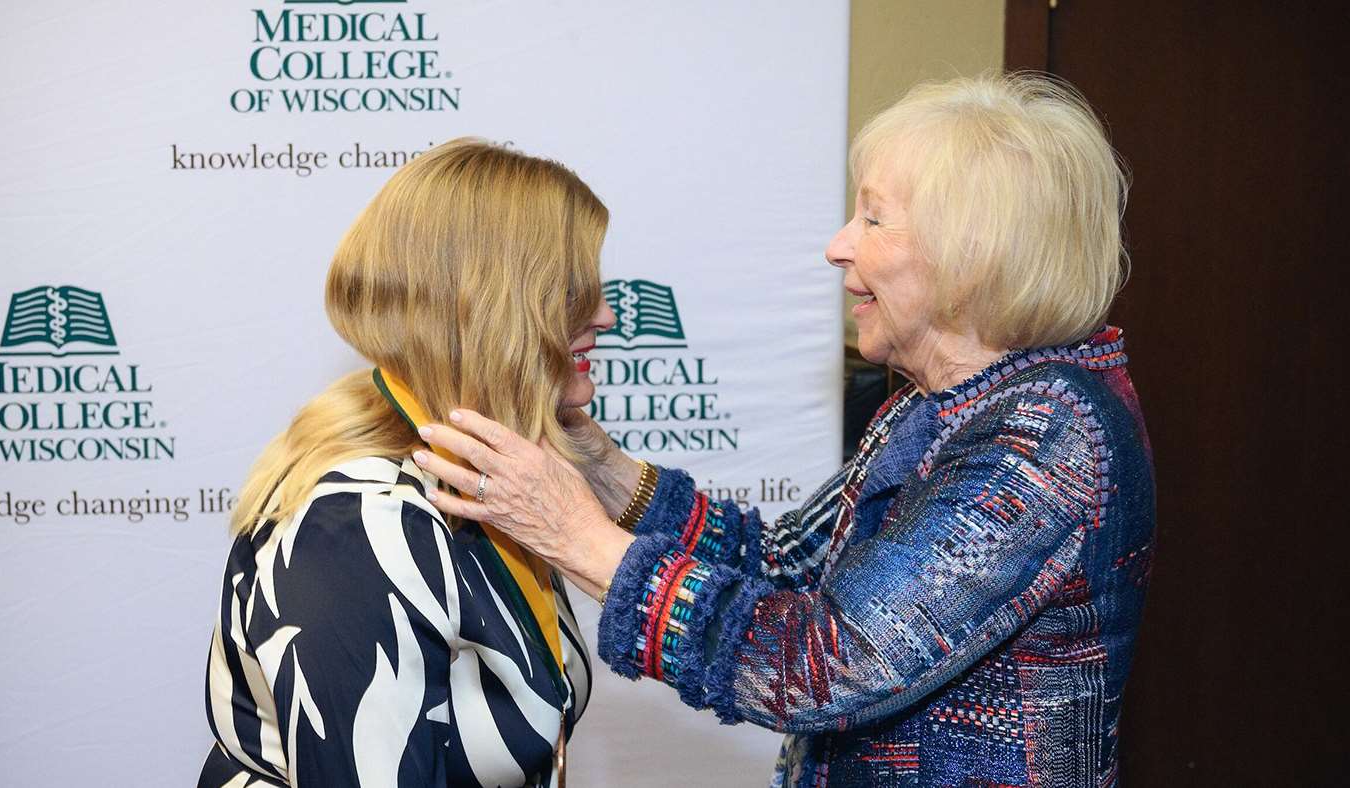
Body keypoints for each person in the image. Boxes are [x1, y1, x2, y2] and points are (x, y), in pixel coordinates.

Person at [413, 74, 1156, 786]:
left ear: (972, 252)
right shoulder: (932, 406)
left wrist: (577, 538)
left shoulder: (1046, 436)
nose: (838, 246)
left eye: (873, 219)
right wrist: (603, 471)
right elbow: (785, 566)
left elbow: (823, 665)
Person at [198, 138, 616, 787]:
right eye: (573, 291)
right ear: (494, 307)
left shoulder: (487, 477)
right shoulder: (362, 524)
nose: (606, 316)